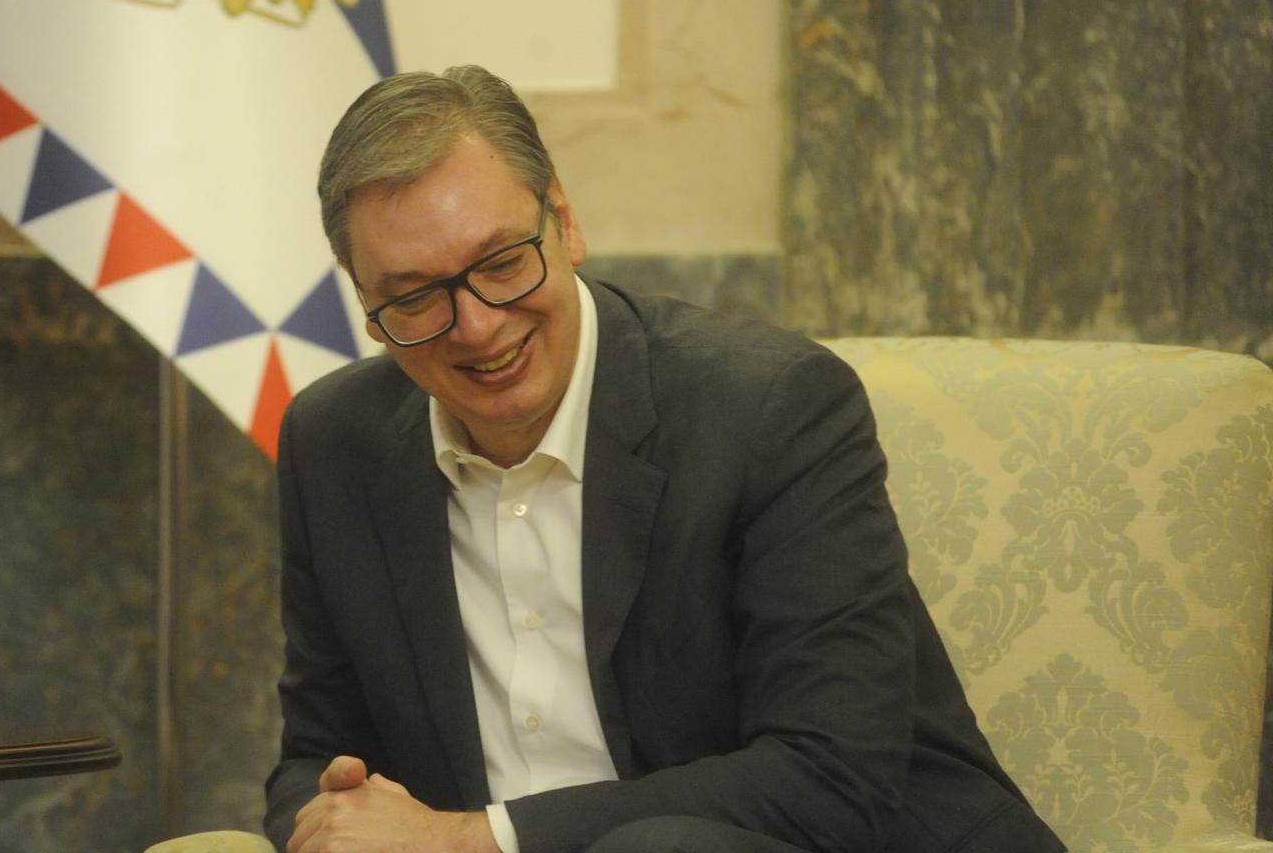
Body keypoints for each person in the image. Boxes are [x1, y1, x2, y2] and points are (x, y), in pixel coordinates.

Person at [264, 65, 1064, 853]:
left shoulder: (770, 410)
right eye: (413, 296)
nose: (475, 326)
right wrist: (336, 826)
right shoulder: (334, 445)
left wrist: (472, 841)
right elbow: (319, 753)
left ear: (565, 223)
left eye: (503, 262)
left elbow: (832, 778)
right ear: (365, 304)